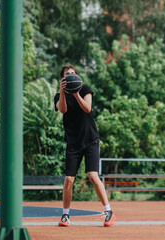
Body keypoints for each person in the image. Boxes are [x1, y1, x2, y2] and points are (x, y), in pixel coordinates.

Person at [54, 63, 115, 227]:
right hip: (73, 143)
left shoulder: (85, 89)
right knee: (68, 180)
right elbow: (62, 110)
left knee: (93, 176)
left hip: (90, 140)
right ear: (62, 78)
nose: (71, 75)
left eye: (73, 73)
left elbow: (87, 108)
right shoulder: (59, 96)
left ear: (77, 76)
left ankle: (108, 211)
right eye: (67, 73)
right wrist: (63, 91)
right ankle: (65, 216)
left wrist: (75, 94)